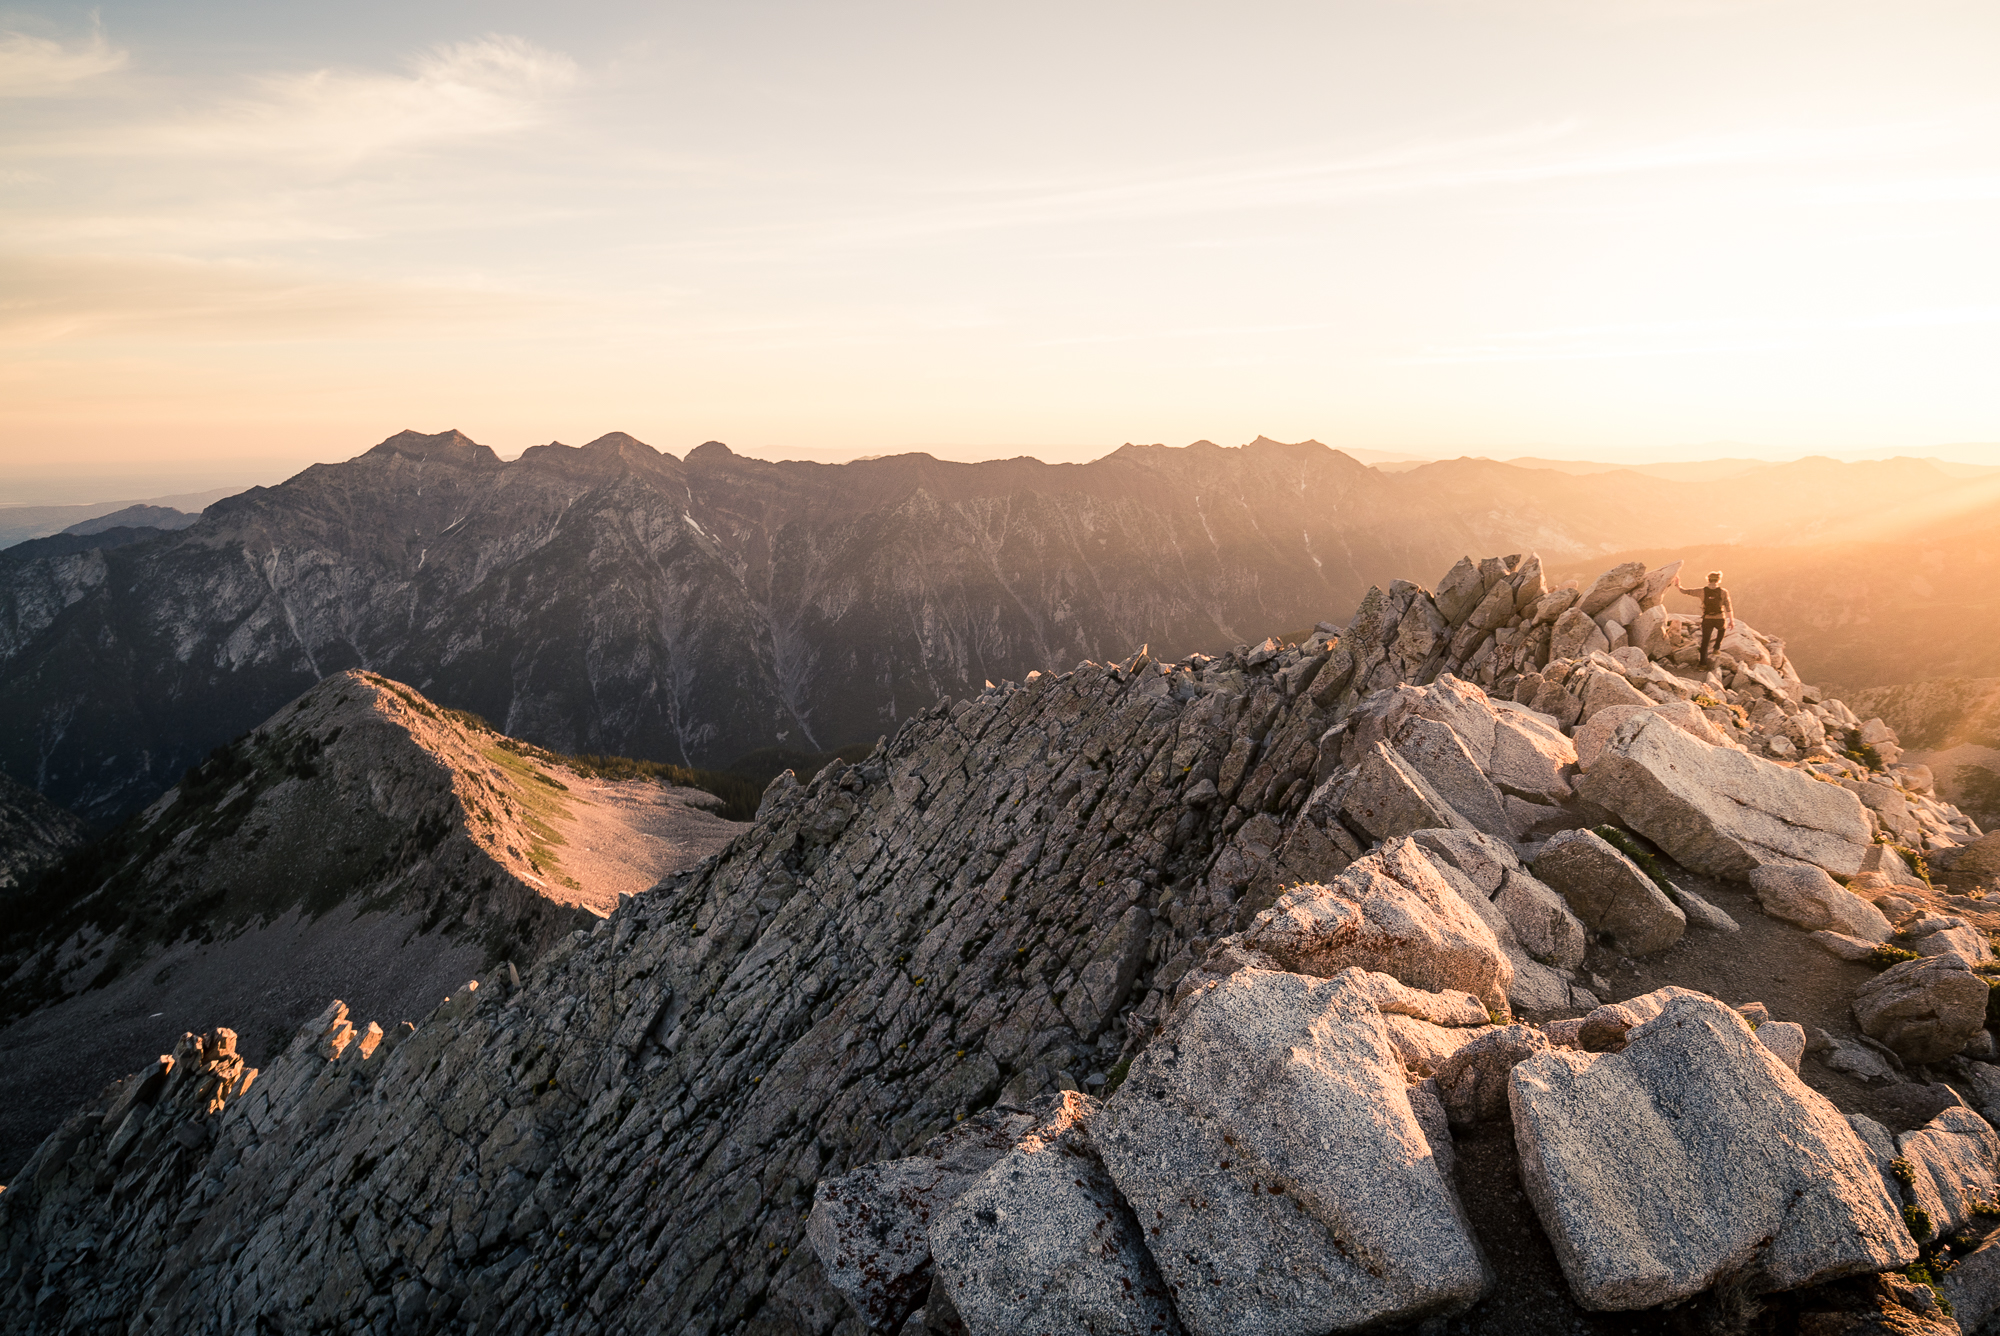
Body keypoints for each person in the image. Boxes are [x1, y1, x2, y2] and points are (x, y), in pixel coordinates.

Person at [1671, 571, 1733, 664]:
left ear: (1708, 580)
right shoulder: (1723, 592)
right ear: (1719, 580)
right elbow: (1728, 607)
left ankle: (1702, 664)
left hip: (1707, 619)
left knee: (1705, 641)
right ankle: (1716, 648)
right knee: (1722, 630)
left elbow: (1685, 591)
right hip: (1720, 618)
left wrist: (1677, 585)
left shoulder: (1701, 591)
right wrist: (1731, 621)